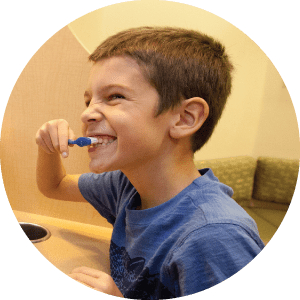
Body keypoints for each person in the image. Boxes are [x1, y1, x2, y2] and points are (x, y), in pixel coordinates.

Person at [36, 27, 265, 299]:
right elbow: (56, 186)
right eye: (88, 100)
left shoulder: (215, 236)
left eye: (114, 97)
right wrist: (47, 149)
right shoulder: (126, 185)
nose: (86, 114)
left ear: (184, 118)